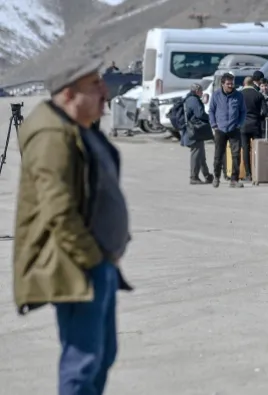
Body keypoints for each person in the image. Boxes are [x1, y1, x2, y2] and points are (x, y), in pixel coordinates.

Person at [14, 56, 134, 395]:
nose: (104, 91)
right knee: (82, 362)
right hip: (77, 264)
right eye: (94, 84)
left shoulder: (78, 129)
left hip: (101, 262)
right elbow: (58, 207)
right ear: (68, 93)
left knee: (103, 354)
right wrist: (91, 256)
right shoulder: (51, 135)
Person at [209, 72, 247, 188]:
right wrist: (214, 124)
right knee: (218, 155)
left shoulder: (239, 95)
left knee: (236, 155)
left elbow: (243, 111)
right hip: (220, 129)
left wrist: (239, 124)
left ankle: (234, 180)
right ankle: (216, 177)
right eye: (228, 84)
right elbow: (211, 111)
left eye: (232, 83)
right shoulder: (216, 95)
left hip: (234, 129)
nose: (231, 86)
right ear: (222, 84)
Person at [183, 83, 214, 185]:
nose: (202, 93)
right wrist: (210, 117)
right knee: (196, 153)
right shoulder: (193, 100)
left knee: (200, 154)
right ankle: (194, 177)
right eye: (201, 91)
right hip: (195, 131)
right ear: (197, 91)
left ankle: (207, 175)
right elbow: (200, 114)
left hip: (194, 130)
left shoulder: (191, 99)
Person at [240, 76, 266, 181]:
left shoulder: (239, 96)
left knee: (246, 149)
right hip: (256, 125)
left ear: (244, 83)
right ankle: (258, 172)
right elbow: (265, 111)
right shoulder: (258, 95)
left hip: (243, 126)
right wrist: (259, 118)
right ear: (253, 84)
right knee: (257, 149)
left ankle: (248, 174)